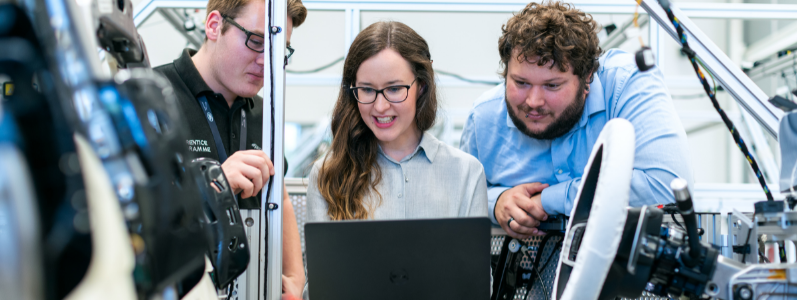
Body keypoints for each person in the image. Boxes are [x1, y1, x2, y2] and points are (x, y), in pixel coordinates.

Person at [460, 1, 693, 240]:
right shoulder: (483, 119)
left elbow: (666, 185)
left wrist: (547, 201)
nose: (533, 101)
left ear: (587, 76)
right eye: (521, 83)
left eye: (552, 85)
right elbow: (461, 198)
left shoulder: (627, 85)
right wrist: (496, 202)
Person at [153, 0, 308, 297]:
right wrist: (214, 185)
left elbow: (282, 195)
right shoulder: (154, 97)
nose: (267, 61)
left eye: (279, 49)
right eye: (256, 41)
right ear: (214, 26)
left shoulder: (266, 113)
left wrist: (294, 274)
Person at [306, 21, 488, 222]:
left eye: (394, 89)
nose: (381, 106)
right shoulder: (327, 175)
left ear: (421, 86)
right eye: (367, 89)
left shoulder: (467, 174)